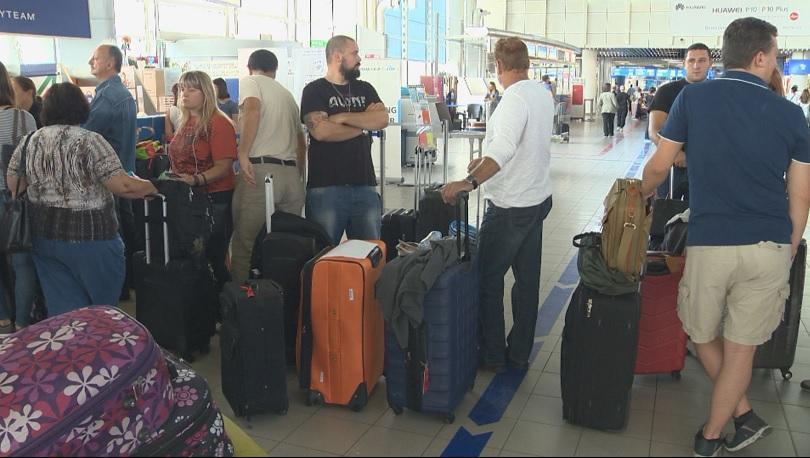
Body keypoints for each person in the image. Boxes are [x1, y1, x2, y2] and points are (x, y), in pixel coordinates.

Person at [641, 17, 810, 457]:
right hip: (770, 244)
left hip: (710, 242)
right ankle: (742, 416)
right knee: (741, 350)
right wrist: (788, 248)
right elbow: (801, 194)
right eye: (774, 54)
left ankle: (711, 436)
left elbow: (660, 166)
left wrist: (635, 193)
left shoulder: (693, 100)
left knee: (700, 333)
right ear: (759, 57)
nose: (776, 62)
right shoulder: (792, 114)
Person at [440, 37, 554, 373]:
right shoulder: (541, 94)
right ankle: (518, 353)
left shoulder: (513, 100)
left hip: (509, 207)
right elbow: (521, 146)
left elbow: (504, 149)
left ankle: (491, 355)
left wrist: (469, 182)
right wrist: (483, 161)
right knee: (526, 283)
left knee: (488, 280)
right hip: (536, 200)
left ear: (499, 66)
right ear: (527, 62)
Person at [7, 83, 157, 318]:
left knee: (67, 316)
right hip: (92, 239)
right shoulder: (90, 141)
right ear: (81, 106)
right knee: (102, 313)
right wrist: (152, 186)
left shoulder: (29, 141)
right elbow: (123, 186)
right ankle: (101, 352)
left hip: (45, 239)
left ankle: (74, 353)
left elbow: (14, 183)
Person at [301, 36, 388, 245]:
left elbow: (382, 119)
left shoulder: (365, 89)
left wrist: (342, 118)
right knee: (324, 255)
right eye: (354, 53)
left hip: (364, 186)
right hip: (326, 188)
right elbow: (321, 132)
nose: (359, 58)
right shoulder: (314, 90)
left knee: (369, 255)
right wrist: (363, 127)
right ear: (337, 56)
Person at [231, 50, 307, 282]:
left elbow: (253, 109)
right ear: (275, 69)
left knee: (244, 244)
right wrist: (299, 176)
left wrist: (243, 153)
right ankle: (283, 301)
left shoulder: (251, 81)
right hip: (291, 177)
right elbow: (301, 143)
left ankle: (241, 306)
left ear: (249, 67)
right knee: (286, 245)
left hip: (262, 174)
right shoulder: (287, 95)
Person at [168, 71, 237, 291]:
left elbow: (224, 166)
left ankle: (221, 310)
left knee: (212, 258)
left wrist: (196, 179)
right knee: (194, 259)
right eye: (182, 88)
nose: (185, 93)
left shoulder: (219, 123)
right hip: (187, 198)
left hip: (214, 198)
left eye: (192, 89)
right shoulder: (185, 121)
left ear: (205, 92)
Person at [83, 44, 138, 301]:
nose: (90, 62)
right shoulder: (123, 94)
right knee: (127, 230)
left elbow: (85, 137)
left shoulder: (106, 98)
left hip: (109, 179)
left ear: (109, 63)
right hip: (126, 173)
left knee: (114, 235)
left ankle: (117, 289)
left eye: (95, 58)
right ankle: (129, 283)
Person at [0, 62, 37, 335]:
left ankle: (2, 320)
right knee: (24, 264)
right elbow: (32, 164)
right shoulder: (24, 119)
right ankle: (23, 323)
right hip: (17, 200)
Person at [648, 43, 713, 200]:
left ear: (710, 63)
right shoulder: (667, 91)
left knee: (701, 215)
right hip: (670, 168)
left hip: (704, 168)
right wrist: (676, 154)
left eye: (702, 60)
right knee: (665, 213)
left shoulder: (717, 93)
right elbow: (654, 130)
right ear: (684, 63)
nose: (696, 65)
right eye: (691, 61)